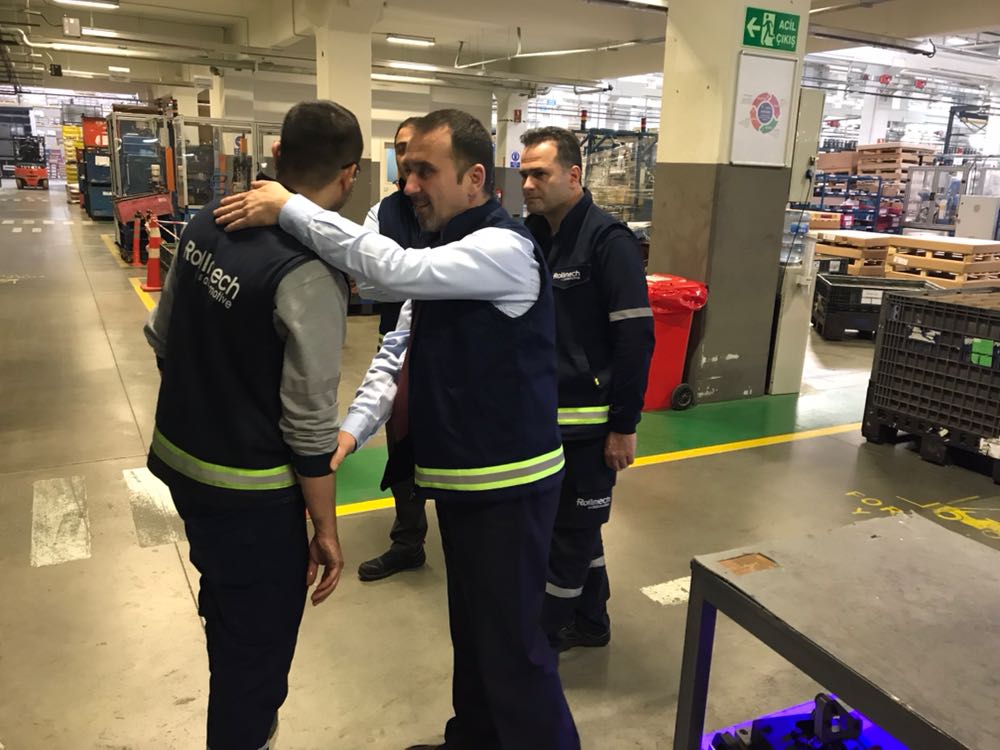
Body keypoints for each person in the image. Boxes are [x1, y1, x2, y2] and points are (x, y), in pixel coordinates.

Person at [213, 108, 580, 750]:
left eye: (423, 172)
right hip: (464, 485)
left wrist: (291, 208)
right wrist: (349, 433)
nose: (408, 187)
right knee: (473, 631)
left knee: (513, 648)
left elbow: (389, 270)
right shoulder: (448, 252)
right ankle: (474, 739)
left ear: (473, 179)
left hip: (509, 488)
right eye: (406, 170)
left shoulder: (504, 250)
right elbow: (396, 356)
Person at [143, 100, 360, 750]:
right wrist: (325, 529)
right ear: (349, 175)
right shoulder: (309, 273)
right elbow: (310, 428)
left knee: (228, 605)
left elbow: (163, 336)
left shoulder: (208, 220)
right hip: (250, 495)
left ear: (276, 156)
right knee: (255, 660)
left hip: (183, 464)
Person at [519, 126, 654, 652]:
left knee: (569, 536)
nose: (528, 184)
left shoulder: (607, 241)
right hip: (546, 419)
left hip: (591, 426)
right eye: (524, 174)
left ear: (573, 175)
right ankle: (592, 622)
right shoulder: (532, 235)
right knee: (577, 523)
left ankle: (542, 639)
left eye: (539, 174)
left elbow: (636, 337)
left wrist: (624, 425)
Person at [356, 115, 436, 582]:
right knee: (401, 444)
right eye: (401, 148)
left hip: (448, 353)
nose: (407, 157)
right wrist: (430, 277)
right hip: (397, 348)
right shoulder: (382, 212)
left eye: (415, 148)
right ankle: (409, 541)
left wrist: (396, 272)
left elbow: (385, 277)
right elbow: (368, 284)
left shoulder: (451, 209)